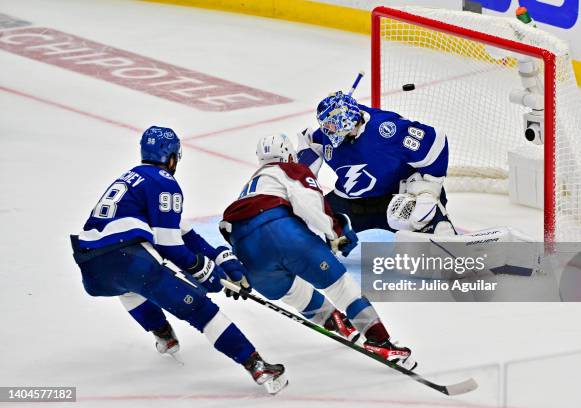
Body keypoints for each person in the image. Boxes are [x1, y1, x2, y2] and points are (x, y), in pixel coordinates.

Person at [70, 126, 288, 394]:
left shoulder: (133, 179)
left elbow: (185, 234)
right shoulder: (164, 181)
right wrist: (204, 271)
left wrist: (224, 260)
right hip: (127, 258)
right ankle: (257, 365)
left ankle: (163, 336)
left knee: (128, 288)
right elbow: (169, 245)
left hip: (91, 268)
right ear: (172, 158)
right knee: (200, 310)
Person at [219, 134, 416, 370]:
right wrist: (336, 234)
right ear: (288, 153)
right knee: (341, 287)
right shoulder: (290, 168)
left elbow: (225, 228)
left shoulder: (249, 186)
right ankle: (380, 340)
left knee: (292, 292)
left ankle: (331, 319)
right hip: (281, 232)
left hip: (245, 250)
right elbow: (309, 202)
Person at [297, 90, 456, 235]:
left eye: (331, 125)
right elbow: (314, 144)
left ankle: (440, 232)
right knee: (306, 224)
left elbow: (436, 143)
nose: (327, 130)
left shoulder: (386, 129)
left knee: (436, 231)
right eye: (325, 125)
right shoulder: (329, 134)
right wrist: (303, 161)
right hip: (351, 204)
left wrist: (428, 191)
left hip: (395, 200)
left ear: (345, 120)